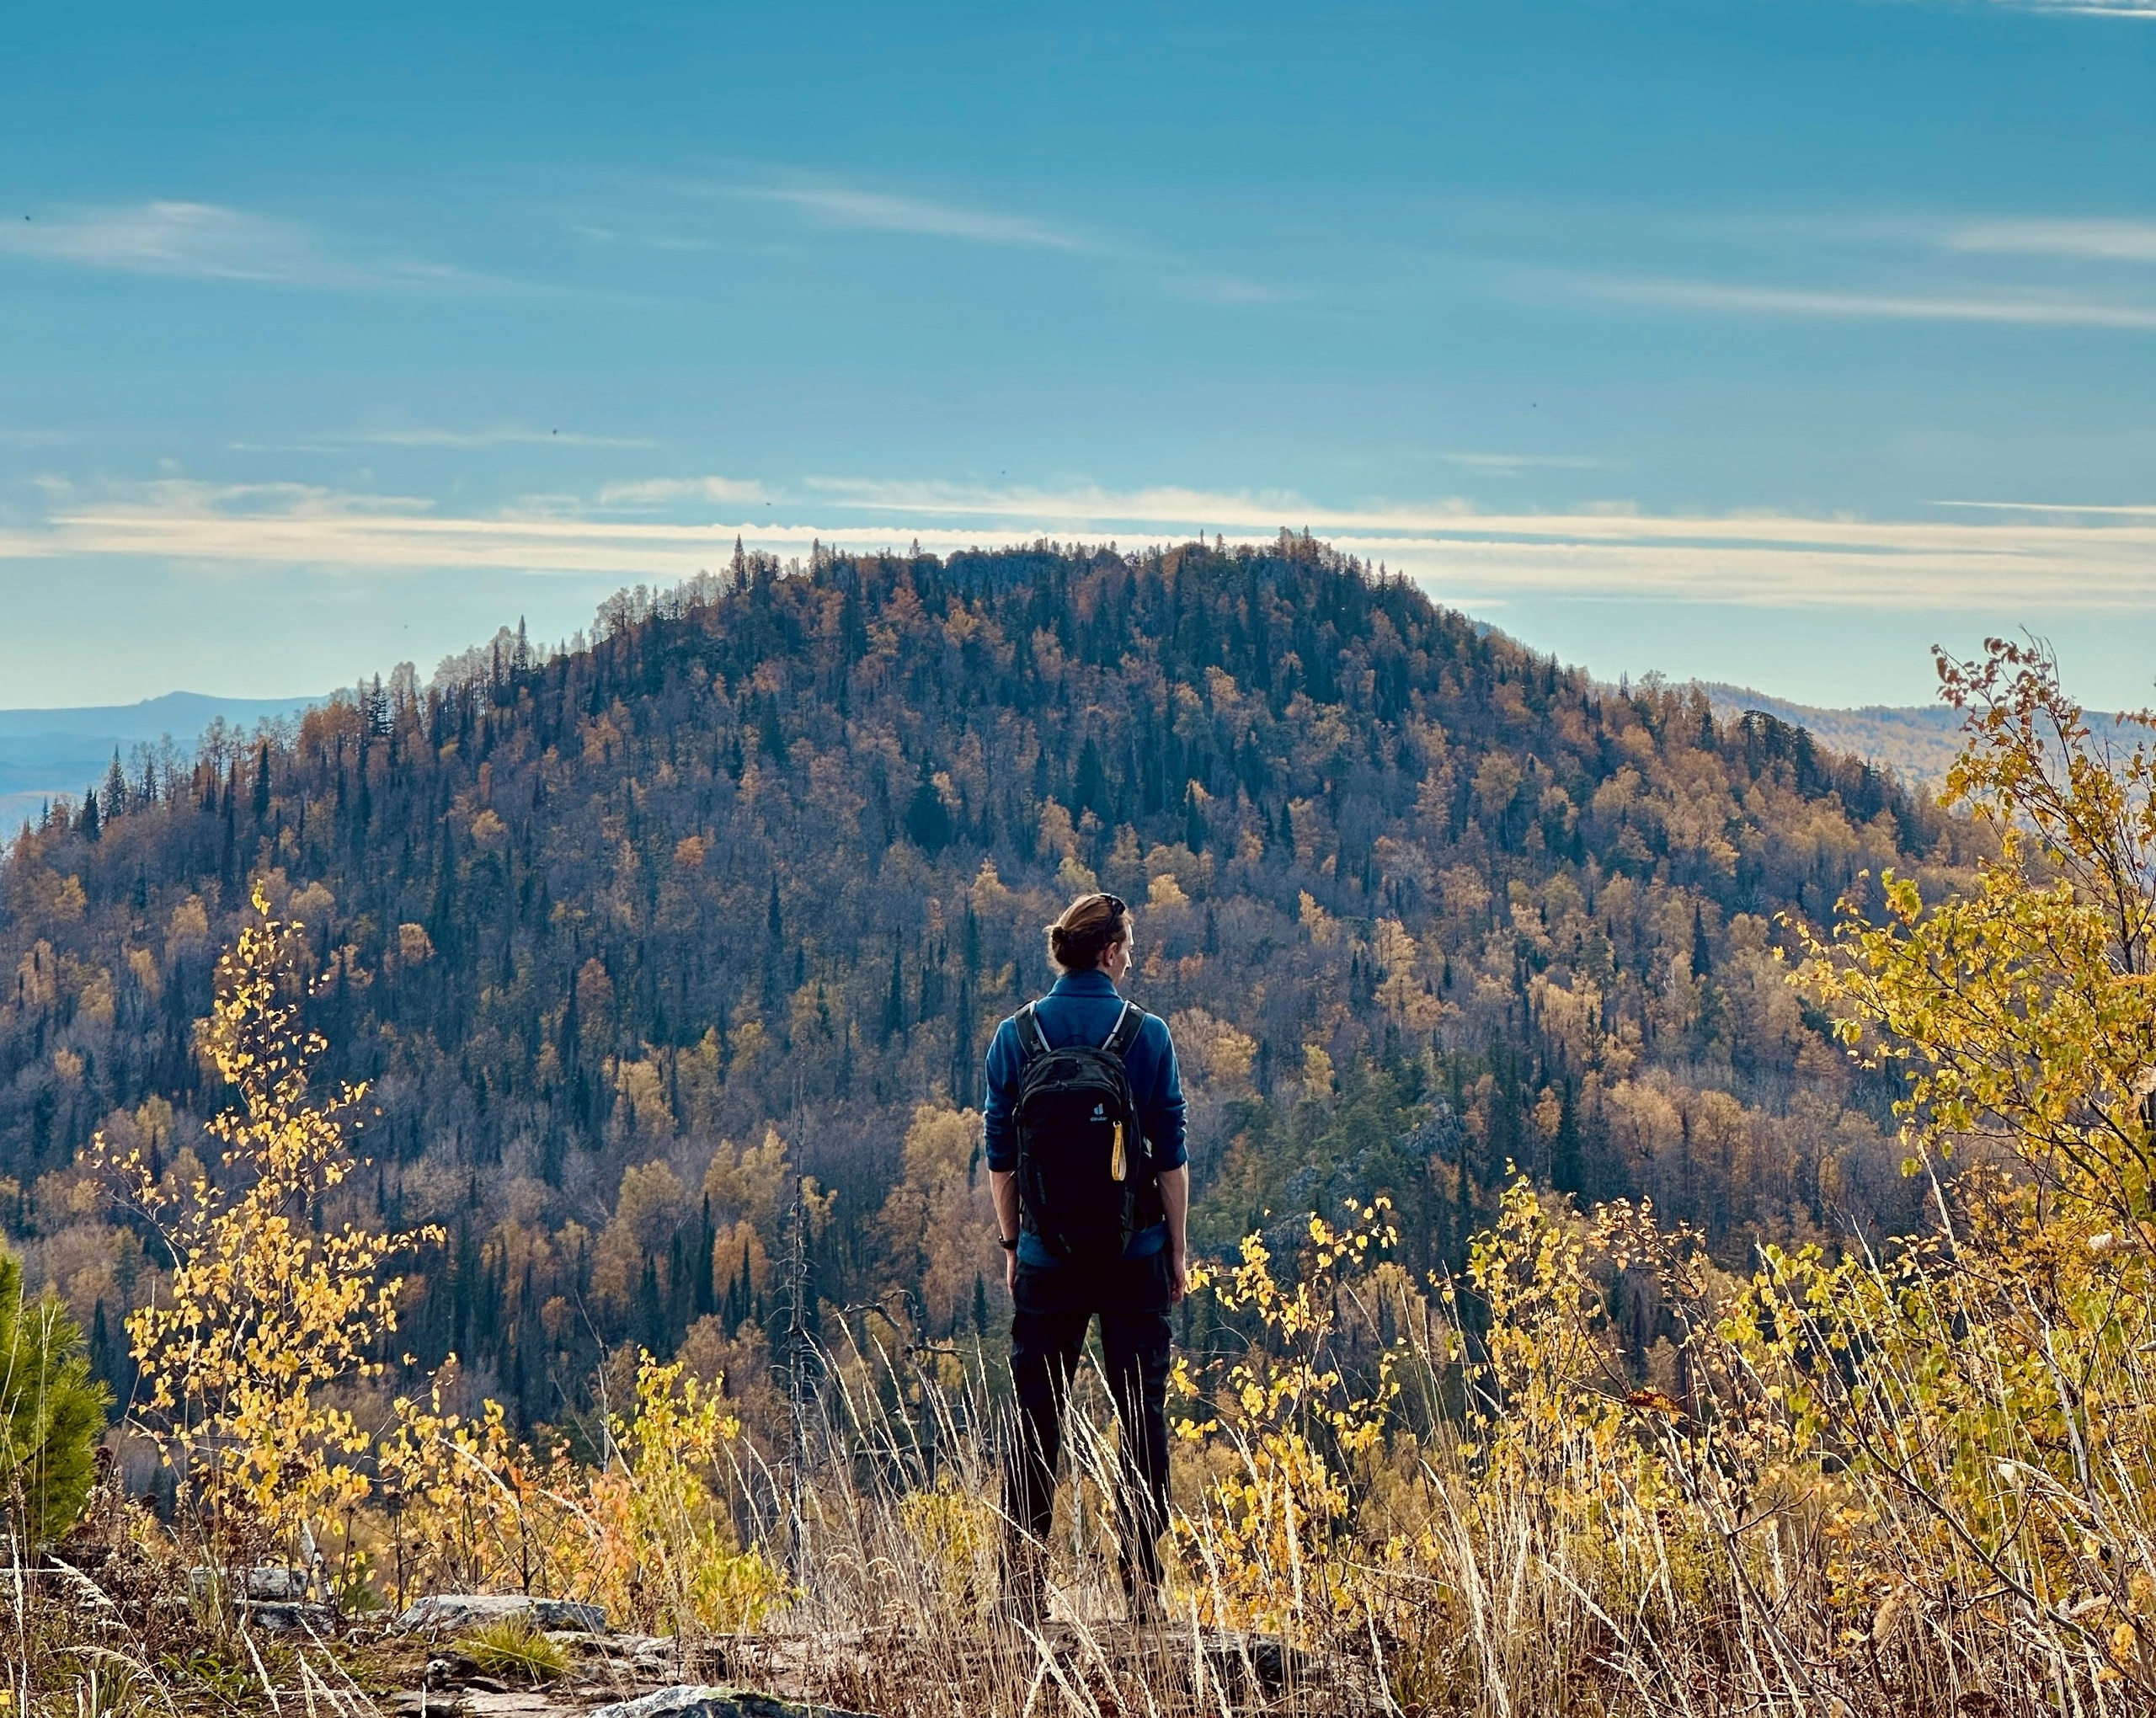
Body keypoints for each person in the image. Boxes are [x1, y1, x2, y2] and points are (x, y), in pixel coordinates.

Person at [983, 890, 1189, 1622]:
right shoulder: (1148, 1035)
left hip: (1047, 1259)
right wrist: (1177, 1252)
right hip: (1135, 1254)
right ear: (1107, 952)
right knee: (1141, 1416)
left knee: (1036, 1415)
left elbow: (1001, 1159)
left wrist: (1015, 1245)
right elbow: (1170, 1153)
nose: (1130, 959)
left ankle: (1020, 1595)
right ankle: (1139, 1590)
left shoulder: (1015, 1037)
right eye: (1127, 947)